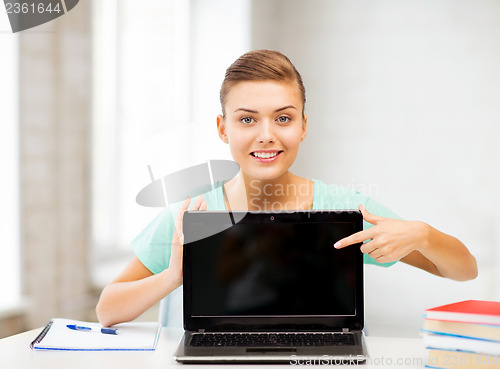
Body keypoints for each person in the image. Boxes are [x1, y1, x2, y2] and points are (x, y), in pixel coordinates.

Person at [96, 49, 478, 328]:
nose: (267, 136)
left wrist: (423, 234)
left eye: (283, 118)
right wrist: (173, 276)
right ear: (223, 128)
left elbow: (463, 271)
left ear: (303, 126)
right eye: (247, 119)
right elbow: (107, 310)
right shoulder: (192, 211)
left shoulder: (345, 209)